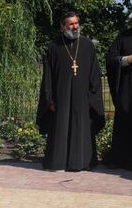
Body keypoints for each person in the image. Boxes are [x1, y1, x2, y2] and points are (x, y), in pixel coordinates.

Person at [36, 11, 105, 171]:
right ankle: (58, 163)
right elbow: (47, 77)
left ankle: (82, 163)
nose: (75, 27)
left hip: (82, 98)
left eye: (76, 23)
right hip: (61, 98)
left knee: (81, 129)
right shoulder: (54, 47)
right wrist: (49, 99)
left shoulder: (88, 45)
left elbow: (95, 74)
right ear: (62, 27)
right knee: (61, 128)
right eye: (71, 24)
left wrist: (92, 97)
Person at [105, 26, 132, 169]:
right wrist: (127, 59)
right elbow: (110, 59)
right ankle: (124, 159)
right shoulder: (123, 37)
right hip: (128, 90)